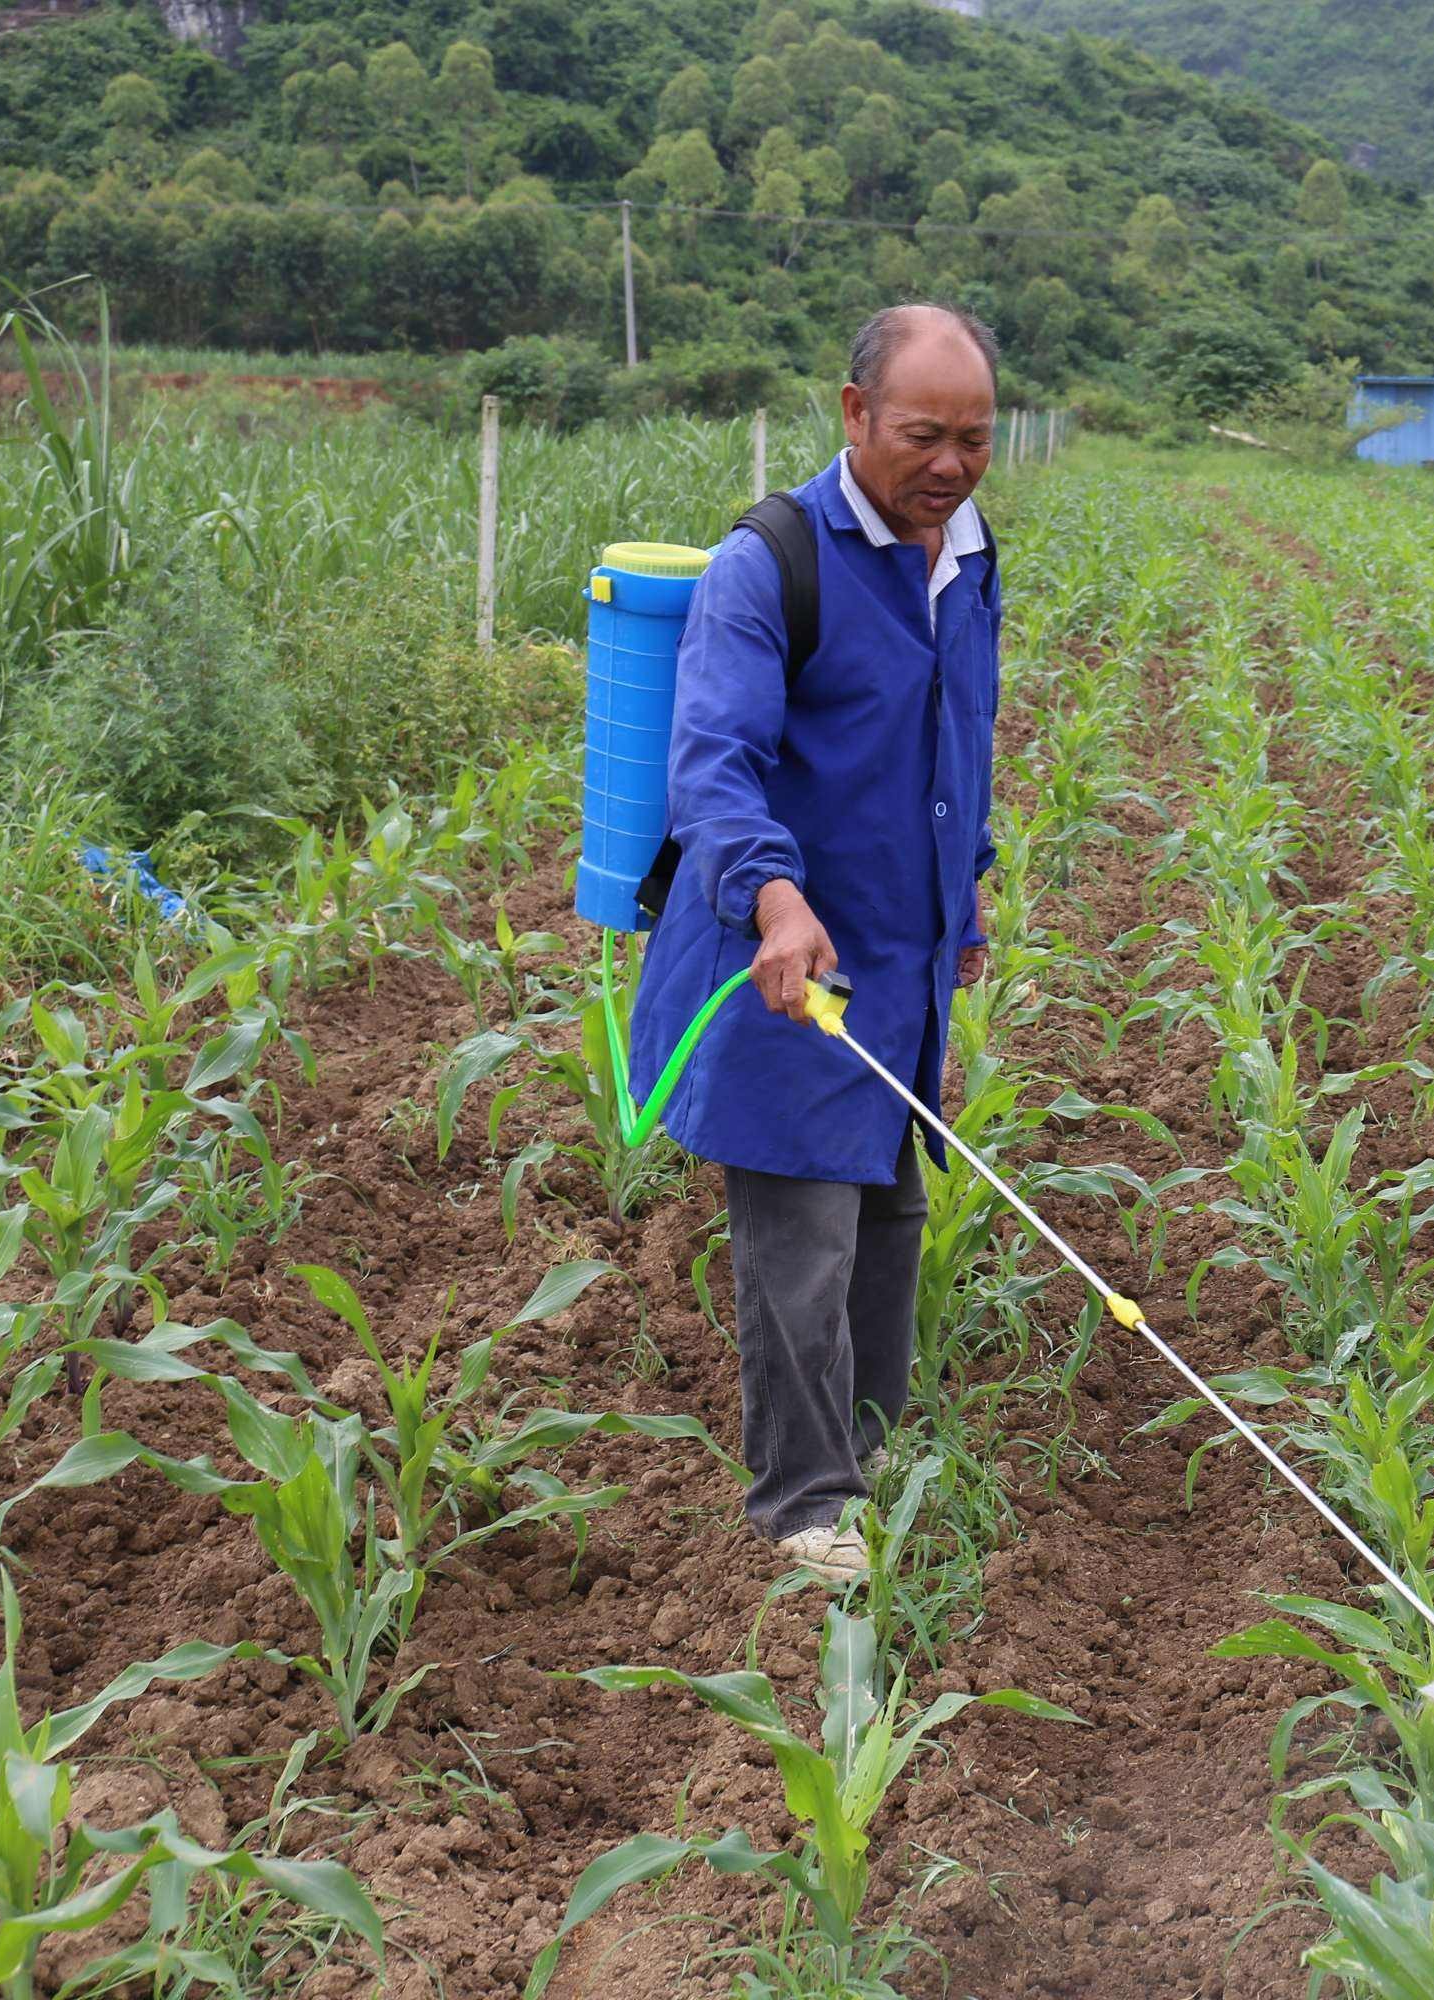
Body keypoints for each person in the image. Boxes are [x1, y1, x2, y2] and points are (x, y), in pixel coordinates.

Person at [627, 302, 1003, 1588]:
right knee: (803, 1234)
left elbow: (962, 735)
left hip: (899, 959)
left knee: (890, 1203)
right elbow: (714, 765)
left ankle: (872, 1445)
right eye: (920, 436)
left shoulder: (967, 554)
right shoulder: (770, 562)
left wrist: (971, 892)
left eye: (973, 439)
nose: (948, 466)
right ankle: (802, 1503)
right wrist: (774, 896)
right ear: (852, 417)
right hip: (780, 961)